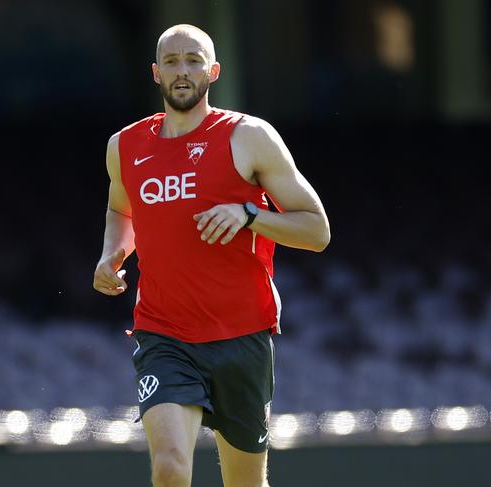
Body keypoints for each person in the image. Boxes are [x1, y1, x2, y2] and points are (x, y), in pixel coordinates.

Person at [93, 24, 330, 487]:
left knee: (245, 483)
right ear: (155, 72)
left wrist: (249, 215)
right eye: (173, 61)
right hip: (164, 333)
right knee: (170, 466)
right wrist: (112, 254)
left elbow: (316, 231)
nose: (183, 71)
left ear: (213, 70)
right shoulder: (124, 146)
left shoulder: (249, 136)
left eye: (194, 60)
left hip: (241, 334)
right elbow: (121, 209)